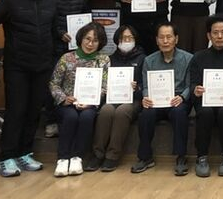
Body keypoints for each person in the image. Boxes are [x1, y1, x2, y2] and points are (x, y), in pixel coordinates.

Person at [0, 0, 58, 177]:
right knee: (16, 111)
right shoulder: (9, 0)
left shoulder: (51, 1)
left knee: (34, 111)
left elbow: (54, 30)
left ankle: (25, 153)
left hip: (43, 66)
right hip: (17, 67)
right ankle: (6, 157)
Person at [49, 22, 110, 177]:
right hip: (67, 103)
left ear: (100, 43)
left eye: (95, 41)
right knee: (71, 116)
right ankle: (63, 158)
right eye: (87, 39)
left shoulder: (103, 60)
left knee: (86, 117)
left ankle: (77, 157)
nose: (90, 44)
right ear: (81, 38)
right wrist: (63, 98)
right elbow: (54, 83)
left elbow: (105, 86)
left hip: (90, 104)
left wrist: (92, 101)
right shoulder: (67, 58)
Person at [131, 22, 192, 176]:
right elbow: (145, 85)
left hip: (177, 100)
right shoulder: (149, 60)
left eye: (169, 37)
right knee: (146, 114)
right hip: (156, 101)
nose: (165, 41)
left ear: (176, 39)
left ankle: (181, 157)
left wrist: (182, 97)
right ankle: (145, 157)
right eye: (161, 37)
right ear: (157, 40)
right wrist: (145, 97)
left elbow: (190, 85)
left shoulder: (188, 58)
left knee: (179, 113)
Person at [42, 0, 91, 138]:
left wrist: (82, 36)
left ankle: (72, 118)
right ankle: (51, 121)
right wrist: (59, 33)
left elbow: (87, 16)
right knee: (53, 83)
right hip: (53, 45)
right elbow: (43, 18)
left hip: (75, 47)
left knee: (76, 81)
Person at [84, 25, 145, 172]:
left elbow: (147, 84)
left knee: (122, 112)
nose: (127, 41)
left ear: (135, 40)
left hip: (133, 100)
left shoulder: (143, 59)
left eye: (130, 38)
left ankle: (113, 155)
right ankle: (98, 154)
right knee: (106, 111)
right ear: (117, 40)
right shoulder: (110, 59)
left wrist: (137, 87)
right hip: (112, 98)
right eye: (123, 38)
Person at [190, 15, 223, 177]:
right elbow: (192, 83)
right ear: (208, 35)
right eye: (215, 33)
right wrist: (195, 89)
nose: (219, 36)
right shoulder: (198, 57)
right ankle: (201, 157)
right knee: (205, 112)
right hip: (205, 100)